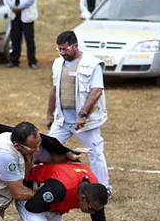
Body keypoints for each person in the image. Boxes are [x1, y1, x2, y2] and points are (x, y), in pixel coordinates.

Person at [47, 30, 112, 195]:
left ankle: (102, 189)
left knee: (95, 154)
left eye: (65, 49)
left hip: (85, 122)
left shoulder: (92, 64)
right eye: (59, 49)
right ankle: (48, 183)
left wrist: (82, 114)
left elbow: (97, 91)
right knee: (47, 149)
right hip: (62, 121)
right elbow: (54, 90)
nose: (62, 53)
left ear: (75, 45)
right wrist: (49, 114)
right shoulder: (57, 63)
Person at [5, 0, 38, 68]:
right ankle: (14, 61)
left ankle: (32, 61)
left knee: (29, 39)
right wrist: (12, 6)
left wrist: (19, 7)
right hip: (15, 15)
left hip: (26, 15)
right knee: (15, 38)